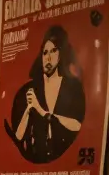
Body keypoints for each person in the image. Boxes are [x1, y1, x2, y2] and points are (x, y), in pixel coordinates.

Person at [6, 25, 86, 165]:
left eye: (53, 51)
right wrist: (29, 109)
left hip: (62, 164)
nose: (48, 58)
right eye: (45, 52)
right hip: (35, 163)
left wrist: (42, 112)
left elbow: (77, 126)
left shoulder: (71, 87)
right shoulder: (30, 89)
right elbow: (18, 136)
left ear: (61, 55)